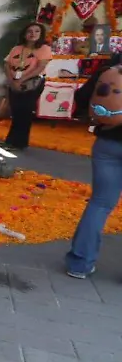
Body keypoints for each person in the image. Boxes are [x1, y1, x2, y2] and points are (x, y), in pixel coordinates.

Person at [66, 60, 122, 278]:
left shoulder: (110, 67)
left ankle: (79, 263)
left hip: (107, 143)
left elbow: (81, 96)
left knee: (99, 204)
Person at [3, 22, 52, 151]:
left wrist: (22, 79)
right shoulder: (17, 48)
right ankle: (10, 141)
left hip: (32, 83)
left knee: (25, 112)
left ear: (41, 34)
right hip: (14, 82)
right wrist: (11, 81)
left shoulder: (44, 49)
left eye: (36, 31)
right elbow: (7, 65)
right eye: (30, 31)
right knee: (15, 112)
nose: (33, 34)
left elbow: (40, 68)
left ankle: (20, 143)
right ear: (24, 34)